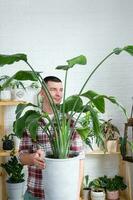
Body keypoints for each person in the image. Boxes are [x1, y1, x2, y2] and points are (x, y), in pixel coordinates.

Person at [18, 76, 84, 200]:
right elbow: (21, 157)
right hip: (35, 193)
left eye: (61, 90)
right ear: (42, 93)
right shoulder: (32, 120)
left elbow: (79, 159)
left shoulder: (69, 122)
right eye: (53, 89)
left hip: (63, 194)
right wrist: (32, 159)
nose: (58, 94)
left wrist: (75, 195)